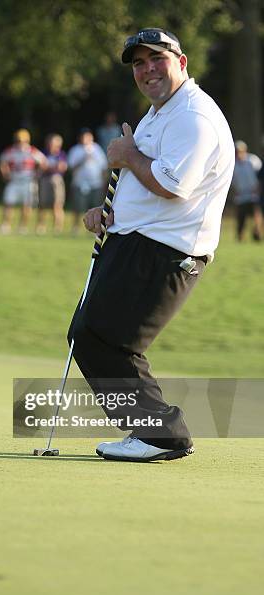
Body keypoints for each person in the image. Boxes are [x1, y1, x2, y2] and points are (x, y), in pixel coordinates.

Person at [68, 28, 235, 462]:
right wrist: (107, 214)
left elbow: (173, 185)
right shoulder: (160, 112)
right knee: (87, 334)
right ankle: (153, 431)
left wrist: (125, 155)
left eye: (156, 59)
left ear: (181, 61)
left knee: (107, 339)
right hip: (136, 241)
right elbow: (144, 181)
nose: (147, 70)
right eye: (139, 64)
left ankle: (162, 434)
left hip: (166, 252)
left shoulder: (193, 117)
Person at [0, 129, 47, 234]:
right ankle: (5, 225)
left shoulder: (32, 151)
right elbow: (2, 162)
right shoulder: (10, 151)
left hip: (28, 181)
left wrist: (37, 174)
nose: (20, 143)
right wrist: (6, 174)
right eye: (18, 140)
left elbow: (43, 162)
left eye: (22, 140)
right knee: (8, 203)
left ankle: (22, 227)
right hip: (14, 180)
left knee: (27, 205)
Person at [67, 128, 108, 234]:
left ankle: (96, 229)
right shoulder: (75, 150)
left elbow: (103, 167)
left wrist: (104, 181)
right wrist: (83, 159)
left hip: (96, 184)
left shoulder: (97, 149)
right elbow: (71, 167)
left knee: (96, 207)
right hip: (79, 183)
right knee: (78, 207)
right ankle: (75, 227)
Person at [231, 140, 262, 241]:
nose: (238, 153)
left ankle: (257, 233)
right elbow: (232, 181)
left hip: (254, 193)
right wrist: (235, 191)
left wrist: (258, 189)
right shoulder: (233, 164)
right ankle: (240, 235)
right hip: (241, 194)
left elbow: (260, 176)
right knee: (241, 215)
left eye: (240, 151)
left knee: (256, 213)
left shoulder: (253, 160)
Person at [36, 134, 68, 234]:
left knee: (57, 205)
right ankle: (41, 226)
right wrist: (52, 167)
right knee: (42, 204)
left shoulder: (61, 154)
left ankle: (57, 228)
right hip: (45, 180)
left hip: (56, 180)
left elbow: (62, 167)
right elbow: (40, 167)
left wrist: (48, 167)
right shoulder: (43, 153)